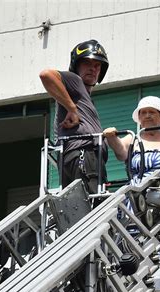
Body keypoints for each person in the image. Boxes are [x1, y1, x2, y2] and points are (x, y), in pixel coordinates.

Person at [103, 96, 160, 262]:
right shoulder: (133, 139)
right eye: (143, 112)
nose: (147, 115)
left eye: (152, 112)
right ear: (138, 118)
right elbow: (120, 151)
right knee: (134, 244)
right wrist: (112, 137)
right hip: (136, 202)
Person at [39, 39, 109, 201]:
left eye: (97, 65)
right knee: (94, 207)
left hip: (77, 158)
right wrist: (72, 108)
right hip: (84, 155)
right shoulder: (75, 81)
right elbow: (46, 75)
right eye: (87, 63)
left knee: (77, 211)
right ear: (76, 65)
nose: (93, 68)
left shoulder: (83, 95)